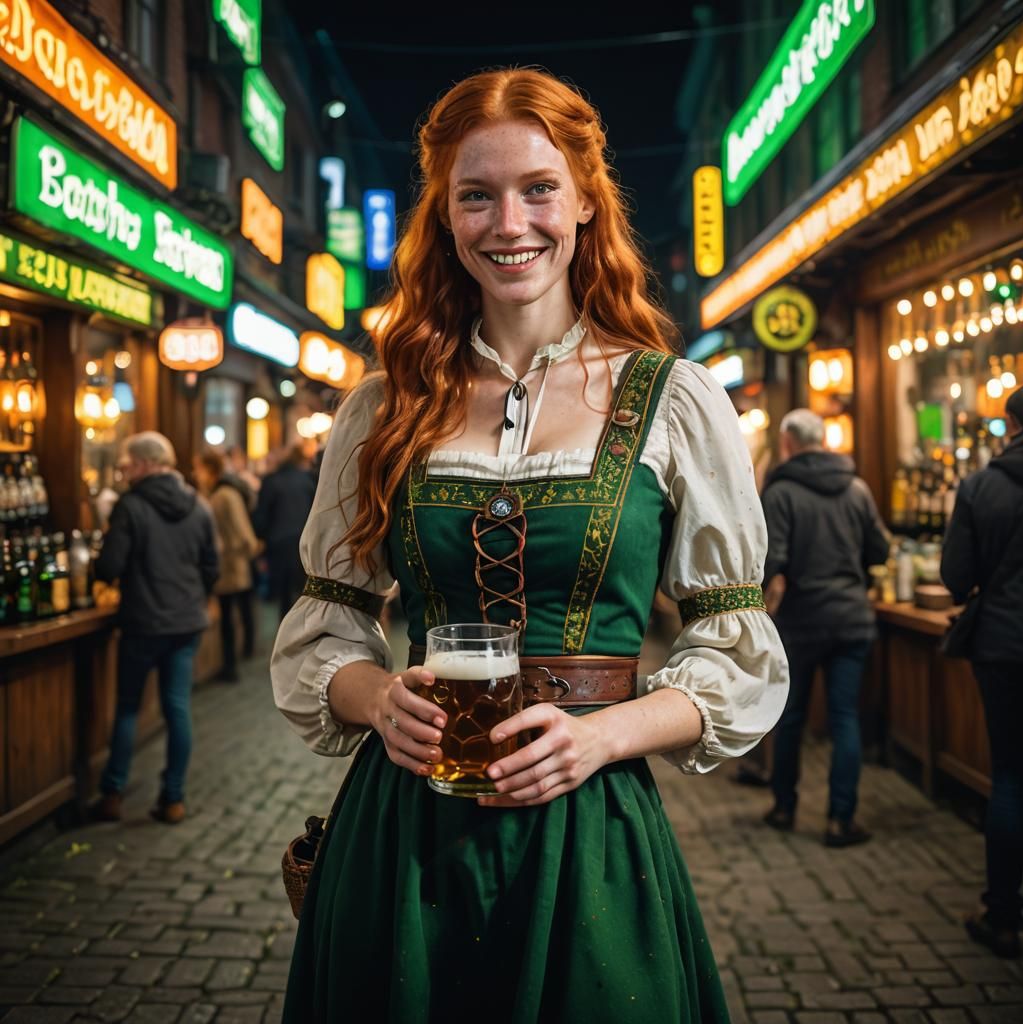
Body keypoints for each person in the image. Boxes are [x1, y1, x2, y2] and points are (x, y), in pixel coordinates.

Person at [271, 68, 788, 1022]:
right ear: (446, 217)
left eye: (538, 188)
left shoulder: (672, 400)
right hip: (407, 829)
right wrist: (379, 697)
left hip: (589, 825)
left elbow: (735, 652)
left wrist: (600, 737)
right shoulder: (383, 406)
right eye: (477, 195)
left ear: (587, 200)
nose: (510, 223)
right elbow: (327, 628)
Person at [760, 409, 890, 848]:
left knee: (791, 715)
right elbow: (880, 549)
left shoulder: (780, 494)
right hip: (853, 618)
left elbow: (769, 560)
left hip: (801, 620)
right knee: (845, 718)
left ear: (788, 444)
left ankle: (784, 806)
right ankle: (840, 819)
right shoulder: (857, 488)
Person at [93, 432, 219, 824]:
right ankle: (174, 799)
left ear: (146, 464)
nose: (125, 472)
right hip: (185, 623)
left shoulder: (129, 506)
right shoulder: (198, 505)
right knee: (177, 709)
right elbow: (211, 568)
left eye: (128, 465)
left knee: (128, 709)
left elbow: (109, 566)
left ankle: (112, 795)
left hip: (143, 623)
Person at [941, 386, 1023, 958]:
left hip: (1004, 644)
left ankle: (1002, 916)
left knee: (1012, 777)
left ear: (1009, 420)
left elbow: (954, 576)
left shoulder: (981, 487)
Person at [194, 451, 260, 681]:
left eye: (199, 468)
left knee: (231, 616)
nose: (196, 473)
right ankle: (237, 657)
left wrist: (250, 550)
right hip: (232, 563)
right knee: (238, 611)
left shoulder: (223, 495)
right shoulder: (218, 493)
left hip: (231, 564)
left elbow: (241, 527)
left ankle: (232, 664)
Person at [253, 444, 316, 620]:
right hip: (303, 542)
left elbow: (261, 516)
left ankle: (285, 631)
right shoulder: (307, 480)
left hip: (278, 543)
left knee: (283, 595)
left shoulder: (271, 481)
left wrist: (261, 538)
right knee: (303, 592)